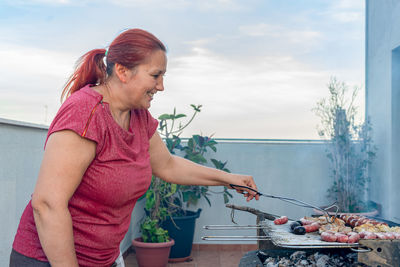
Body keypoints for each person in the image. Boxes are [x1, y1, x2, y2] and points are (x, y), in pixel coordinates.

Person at [10, 28, 259, 267]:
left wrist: (229, 179)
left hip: (103, 258)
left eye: (163, 77)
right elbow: (47, 203)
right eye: (155, 75)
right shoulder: (85, 112)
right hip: (47, 261)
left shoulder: (138, 117)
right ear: (122, 71)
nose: (161, 86)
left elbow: (168, 165)